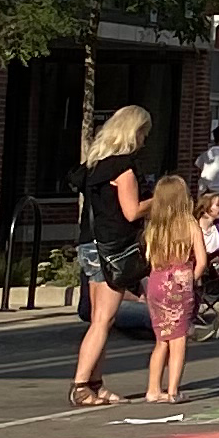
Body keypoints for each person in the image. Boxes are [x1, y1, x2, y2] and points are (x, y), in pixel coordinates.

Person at [68, 104, 153, 405]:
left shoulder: (93, 166)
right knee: (103, 319)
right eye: (143, 133)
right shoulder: (123, 168)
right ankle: (80, 385)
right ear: (134, 132)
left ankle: (95, 382)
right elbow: (131, 211)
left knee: (100, 318)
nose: (144, 139)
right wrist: (159, 201)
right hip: (113, 247)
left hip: (89, 243)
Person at [139, 171, 202, 407]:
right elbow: (202, 260)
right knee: (179, 340)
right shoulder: (189, 224)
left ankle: (153, 389)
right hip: (179, 281)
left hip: (156, 282)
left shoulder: (154, 227)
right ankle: (173, 389)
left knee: (161, 339)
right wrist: (192, 280)